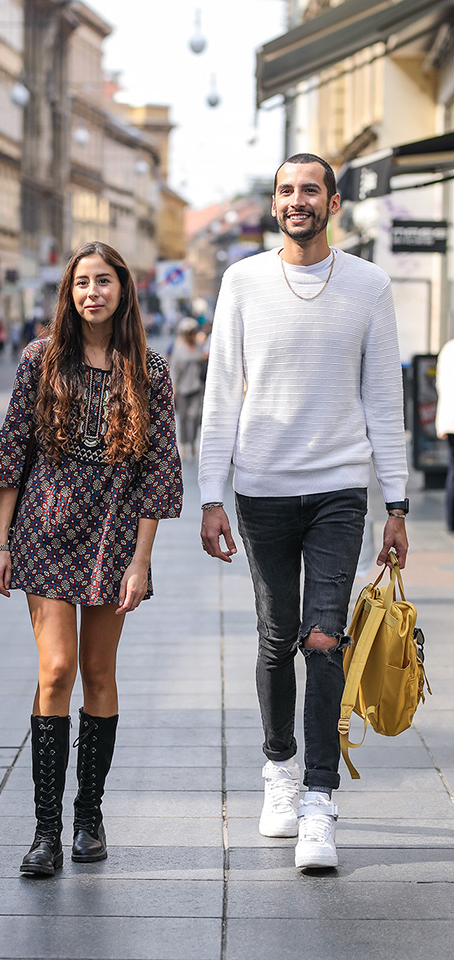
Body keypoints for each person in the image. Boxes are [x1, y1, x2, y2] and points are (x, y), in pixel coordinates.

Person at [199, 153, 408, 871]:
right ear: (276, 203)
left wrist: (398, 503)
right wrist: (210, 495)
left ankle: (320, 800)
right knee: (274, 634)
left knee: (324, 636)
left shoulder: (370, 286)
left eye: (308, 190)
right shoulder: (244, 281)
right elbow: (222, 391)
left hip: (340, 490)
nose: (296, 201)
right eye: (286, 190)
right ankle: (279, 769)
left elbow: (385, 400)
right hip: (261, 489)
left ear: (332, 202)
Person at [0, 240, 183, 877]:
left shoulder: (148, 368)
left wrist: (141, 560)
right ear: (68, 295)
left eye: (103, 281)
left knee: (98, 671)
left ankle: (88, 816)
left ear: (123, 289)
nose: (91, 292)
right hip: (44, 530)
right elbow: (13, 450)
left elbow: (158, 470)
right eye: (80, 284)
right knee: (56, 671)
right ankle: (45, 831)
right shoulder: (40, 360)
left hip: (112, 537)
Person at [169, 316, 206, 460]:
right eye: (188, 332)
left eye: (192, 332)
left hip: (196, 387)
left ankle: (192, 442)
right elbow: (174, 369)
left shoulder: (198, 346)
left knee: (194, 416)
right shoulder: (179, 348)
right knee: (183, 418)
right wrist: (174, 387)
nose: (191, 335)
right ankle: (184, 446)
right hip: (182, 388)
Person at [435, 336, 454, 531]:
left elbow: (439, 384)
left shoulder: (447, 348)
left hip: (448, 419)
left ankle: (451, 519)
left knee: (453, 470)